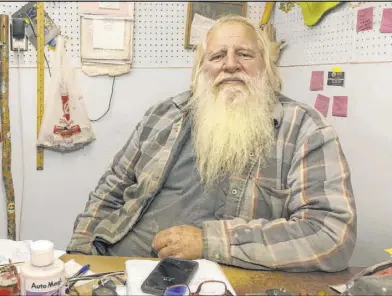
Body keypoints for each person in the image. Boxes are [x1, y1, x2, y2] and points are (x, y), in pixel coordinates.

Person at [66, 15, 357, 272]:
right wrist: (79, 252)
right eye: (217, 56)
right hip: (118, 266)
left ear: (267, 67)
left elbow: (330, 233)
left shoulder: (305, 130)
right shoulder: (162, 115)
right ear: (199, 70)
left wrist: (210, 242)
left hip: (215, 278)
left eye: (244, 54)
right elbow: (113, 188)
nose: (230, 64)